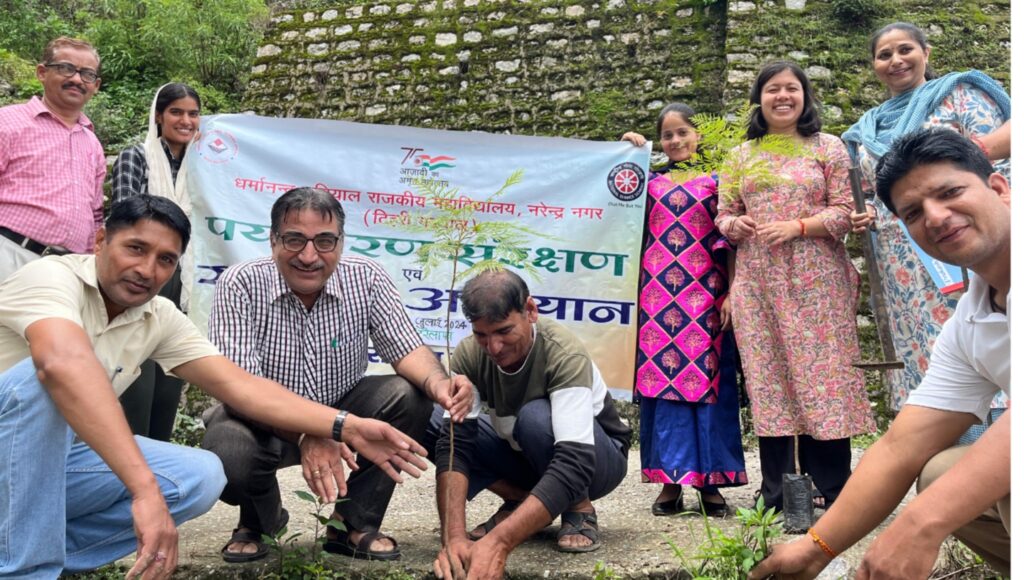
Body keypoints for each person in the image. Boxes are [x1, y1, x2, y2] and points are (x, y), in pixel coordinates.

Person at [0, 194, 429, 578]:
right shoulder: (51, 278)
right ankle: (26, 569)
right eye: (135, 248)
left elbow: (239, 385)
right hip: (9, 449)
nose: (147, 270)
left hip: (52, 462)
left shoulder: (157, 316)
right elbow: (62, 363)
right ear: (99, 241)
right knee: (41, 383)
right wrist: (144, 491)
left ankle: (37, 550)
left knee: (199, 476)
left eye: (166, 260)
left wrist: (344, 426)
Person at [750, 128, 1010, 579]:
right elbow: (900, 446)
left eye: (950, 192)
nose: (936, 216)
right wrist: (816, 548)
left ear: (999, 188)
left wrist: (921, 524)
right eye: (913, 212)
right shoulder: (972, 318)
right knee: (942, 472)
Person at [202, 187, 473, 563]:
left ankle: (350, 524)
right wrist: (309, 430)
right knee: (228, 447)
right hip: (263, 419)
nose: (309, 256)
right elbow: (240, 387)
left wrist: (440, 384)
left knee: (410, 395)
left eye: (325, 241)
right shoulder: (240, 283)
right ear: (273, 239)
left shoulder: (367, 278)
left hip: (341, 408)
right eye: (295, 239)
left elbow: (407, 348)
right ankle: (259, 521)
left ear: (341, 242)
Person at [714, 61, 875, 512]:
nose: (782, 97)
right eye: (772, 90)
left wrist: (799, 226)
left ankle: (833, 487)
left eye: (791, 89)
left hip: (817, 283)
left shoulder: (828, 147)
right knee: (769, 381)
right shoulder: (740, 156)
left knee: (822, 380)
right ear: (758, 99)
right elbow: (723, 216)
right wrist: (736, 224)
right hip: (758, 283)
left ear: (804, 96)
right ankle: (778, 493)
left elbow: (846, 210)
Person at [843, 21, 1010, 416]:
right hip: (902, 261)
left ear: (926, 53)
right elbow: (870, 190)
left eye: (905, 50)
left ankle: (1001, 433)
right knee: (923, 343)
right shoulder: (866, 128)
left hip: (964, 239)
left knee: (983, 328)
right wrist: (864, 211)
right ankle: (942, 439)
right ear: (874, 65)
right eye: (884, 55)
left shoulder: (959, 95)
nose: (896, 60)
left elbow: (994, 160)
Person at [431, 269, 631, 580]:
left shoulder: (563, 354)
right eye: (482, 335)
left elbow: (575, 462)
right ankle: (521, 499)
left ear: (531, 311)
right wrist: (453, 538)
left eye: (504, 331)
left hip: (595, 463)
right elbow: (454, 448)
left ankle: (579, 507)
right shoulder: (470, 354)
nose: (493, 347)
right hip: (524, 454)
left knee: (535, 417)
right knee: (435, 421)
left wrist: (499, 543)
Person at [621, 103, 747, 518]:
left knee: (712, 387)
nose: (675, 141)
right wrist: (627, 153)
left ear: (698, 135)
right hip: (657, 298)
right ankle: (670, 482)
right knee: (663, 391)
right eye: (667, 135)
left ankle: (712, 484)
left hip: (706, 295)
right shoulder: (649, 181)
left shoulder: (720, 179)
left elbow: (729, 241)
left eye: (682, 133)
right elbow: (613, 202)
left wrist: (731, 291)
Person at [110, 82, 201, 442]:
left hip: (185, 280)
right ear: (159, 115)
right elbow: (124, 219)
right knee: (136, 376)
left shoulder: (205, 166)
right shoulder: (137, 157)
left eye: (193, 113)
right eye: (176, 112)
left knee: (169, 381)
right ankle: (128, 466)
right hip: (143, 277)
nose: (185, 120)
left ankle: (160, 463)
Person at [0, 37, 106, 281]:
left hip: (68, 269)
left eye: (87, 74)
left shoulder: (92, 143)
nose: (77, 79)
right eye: (67, 68)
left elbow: (95, 215)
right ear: (42, 72)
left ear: (96, 85)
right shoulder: (8, 122)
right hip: (11, 252)